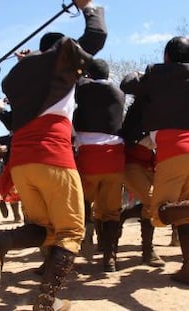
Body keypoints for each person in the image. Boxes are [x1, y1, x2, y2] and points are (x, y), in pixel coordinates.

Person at [0, 1, 107, 310]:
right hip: (53, 155)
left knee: (44, 228)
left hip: (22, 163)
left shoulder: (13, 78)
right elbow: (96, 36)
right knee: (71, 230)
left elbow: (32, 84)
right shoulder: (58, 61)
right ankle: (46, 301)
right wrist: (88, 6)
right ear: (60, 52)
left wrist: (28, 61)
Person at [120, 36, 189, 285]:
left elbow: (126, 84)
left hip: (174, 150)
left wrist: (146, 74)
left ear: (167, 56)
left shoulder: (155, 75)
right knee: (182, 211)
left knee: (160, 214)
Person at [73, 58, 125, 272]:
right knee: (112, 211)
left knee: (82, 201)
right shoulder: (119, 93)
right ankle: (109, 259)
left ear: (89, 75)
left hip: (89, 156)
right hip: (115, 157)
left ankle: (87, 227)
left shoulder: (83, 89)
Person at [119, 95, 165, 267]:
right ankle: (148, 251)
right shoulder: (136, 113)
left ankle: (127, 214)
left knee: (165, 200)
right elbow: (131, 139)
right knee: (153, 201)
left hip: (149, 166)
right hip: (131, 164)